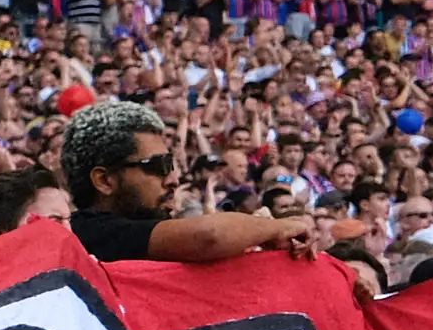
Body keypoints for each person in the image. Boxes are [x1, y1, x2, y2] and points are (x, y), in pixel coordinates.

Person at [57, 99, 314, 264]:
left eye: (172, 165)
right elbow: (209, 235)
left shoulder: (150, 232)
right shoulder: (86, 234)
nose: (173, 179)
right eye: (159, 166)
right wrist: (271, 228)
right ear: (104, 181)